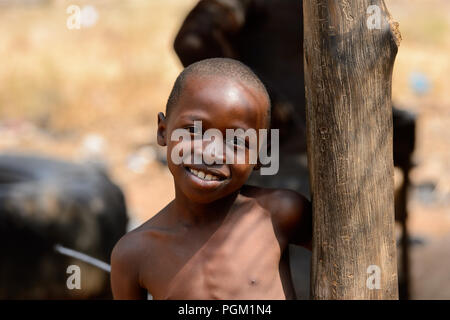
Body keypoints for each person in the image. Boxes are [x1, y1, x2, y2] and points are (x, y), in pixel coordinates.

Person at [110, 58, 312, 300]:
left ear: (261, 155)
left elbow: (349, 260)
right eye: (194, 130)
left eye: (237, 141)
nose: (212, 153)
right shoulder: (134, 254)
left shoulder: (279, 214)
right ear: (163, 131)